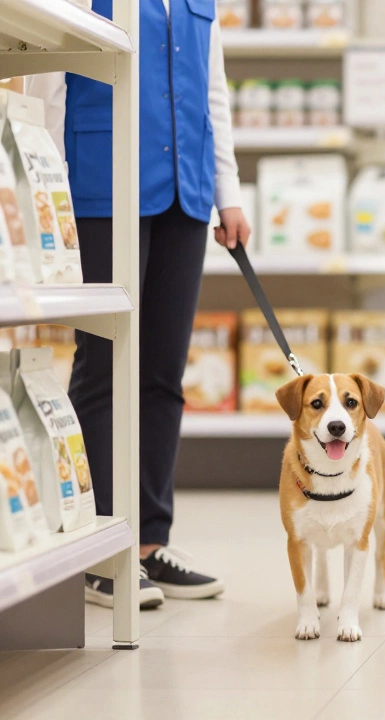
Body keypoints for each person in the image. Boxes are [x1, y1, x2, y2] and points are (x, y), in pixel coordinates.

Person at [29, 0, 251, 609]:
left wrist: (227, 191)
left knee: (161, 373)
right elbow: (51, 86)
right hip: (102, 186)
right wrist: (49, 187)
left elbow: (214, 90)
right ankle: (99, 547)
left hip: (186, 191)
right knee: (103, 364)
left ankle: (150, 542)